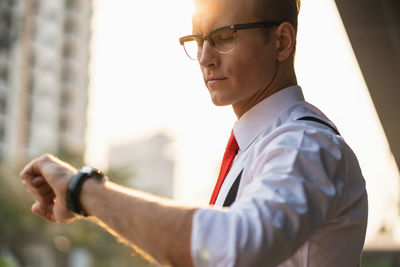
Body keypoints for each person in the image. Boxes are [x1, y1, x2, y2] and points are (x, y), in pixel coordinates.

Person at [20, 0, 368, 266]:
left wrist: (82, 190)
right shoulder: (260, 146)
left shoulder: (304, 145)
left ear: (281, 42)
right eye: (198, 40)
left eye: (222, 38)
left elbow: (227, 247)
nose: (204, 57)